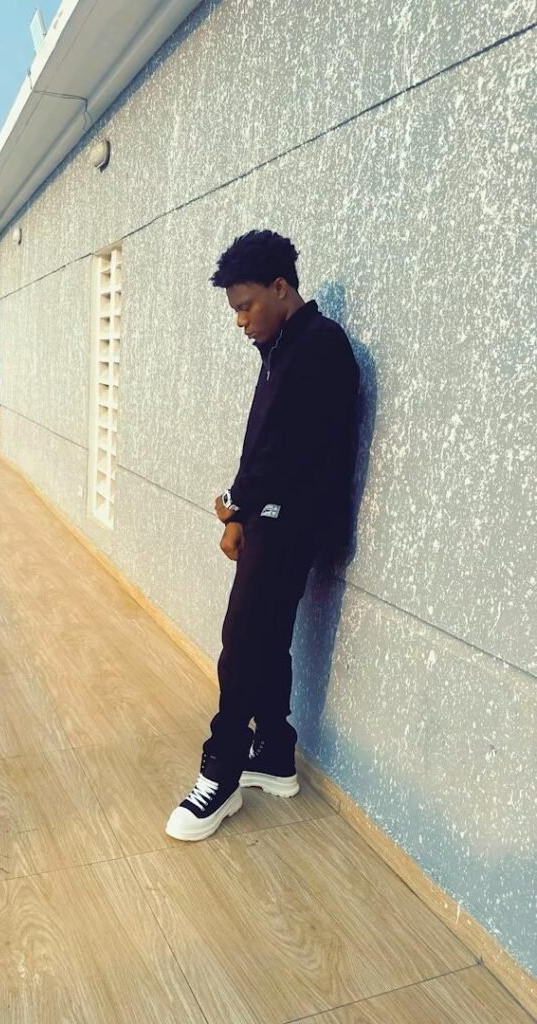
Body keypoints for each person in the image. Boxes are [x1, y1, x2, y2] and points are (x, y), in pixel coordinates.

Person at [165, 230, 360, 842]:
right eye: (235, 309)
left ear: (281, 288)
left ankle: (221, 772)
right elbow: (264, 442)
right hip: (271, 515)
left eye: (246, 305)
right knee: (266, 635)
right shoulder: (281, 346)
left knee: (244, 638)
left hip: (293, 520)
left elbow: (289, 450)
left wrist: (237, 507)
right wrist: (240, 512)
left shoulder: (319, 346)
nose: (240, 320)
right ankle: (274, 752)